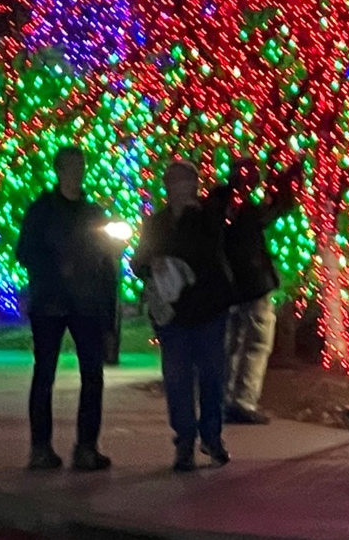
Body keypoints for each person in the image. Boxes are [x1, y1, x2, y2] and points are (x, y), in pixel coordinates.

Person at [16, 146, 116, 472]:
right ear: (58, 170)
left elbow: (106, 261)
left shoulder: (92, 212)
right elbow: (26, 252)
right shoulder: (42, 210)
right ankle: (41, 447)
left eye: (80, 166)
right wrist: (58, 268)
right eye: (70, 166)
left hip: (85, 303)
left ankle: (86, 446)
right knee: (45, 373)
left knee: (92, 375)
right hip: (51, 302)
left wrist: (105, 305)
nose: (76, 172)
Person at [134, 161, 236, 472]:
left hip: (208, 309)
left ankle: (211, 436)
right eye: (173, 182)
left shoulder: (207, 218)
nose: (178, 189)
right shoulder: (156, 224)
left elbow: (211, 252)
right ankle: (184, 441)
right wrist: (153, 263)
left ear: (194, 185)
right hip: (173, 315)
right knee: (177, 380)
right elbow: (138, 262)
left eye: (185, 182)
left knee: (211, 377)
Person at [219, 157, 303, 425]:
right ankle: (241, 401)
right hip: (251, 285)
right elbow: (275, 209)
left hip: (229, 286)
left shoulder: (220, 205)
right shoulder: (244, 211)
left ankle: (222, 398)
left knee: (230, 344)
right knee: (254, 342)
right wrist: (287, 180)